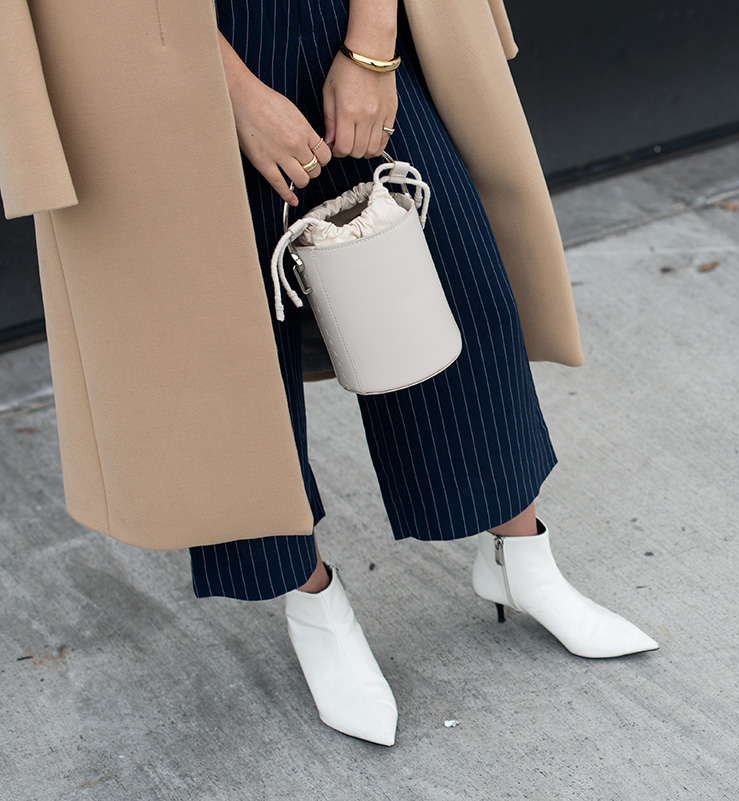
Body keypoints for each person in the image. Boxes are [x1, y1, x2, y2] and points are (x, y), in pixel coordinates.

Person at [0, 0, 655, 748]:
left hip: (344, 17)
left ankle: (520, 554)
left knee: (456, 286)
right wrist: (236, 95)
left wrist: (373, 49)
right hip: (157, 46)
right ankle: (312, 600)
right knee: (221, 358)